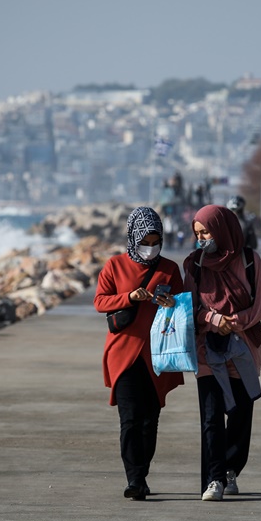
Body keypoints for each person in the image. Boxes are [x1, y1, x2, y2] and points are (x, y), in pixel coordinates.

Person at [93, 206, 184, 500]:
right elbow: (100, 302)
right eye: (145, 241)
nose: (150, 247)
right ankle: (134, 479)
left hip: (157, 354)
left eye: (156, 241)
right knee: (130, 418)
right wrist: (129, 297)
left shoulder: (170, 269)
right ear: (133, 238)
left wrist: (170, 302)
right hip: (124, 355)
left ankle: (141, 473)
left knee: (150, 419)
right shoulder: (114, 266)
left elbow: (183, 305)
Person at [183, 205, 261, 502]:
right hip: (208, 348)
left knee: (240, 414)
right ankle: (214, 479)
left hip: (243, 347)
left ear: (222, 230)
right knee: (210, 416)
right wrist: (213, 320)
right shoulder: (195, 264)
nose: (202, 239)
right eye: (197, 234)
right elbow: (190, 307)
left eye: (206, 232)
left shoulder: (249, 261)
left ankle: (232, 468)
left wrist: (237, 322)